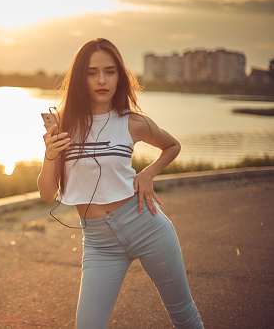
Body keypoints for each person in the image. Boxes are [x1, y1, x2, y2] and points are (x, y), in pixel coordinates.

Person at [37, 38, 204, 328]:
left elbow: (172, 146)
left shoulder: (132, 121)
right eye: (91, 72)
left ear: (119, 76)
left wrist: (149, 172)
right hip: (99, 244)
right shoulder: (63, 124)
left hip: (147, 227)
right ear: (80, 78)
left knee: (183, 315)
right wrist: (50, 155)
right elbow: (46, 193)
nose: (101, 80)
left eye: (110, 71)